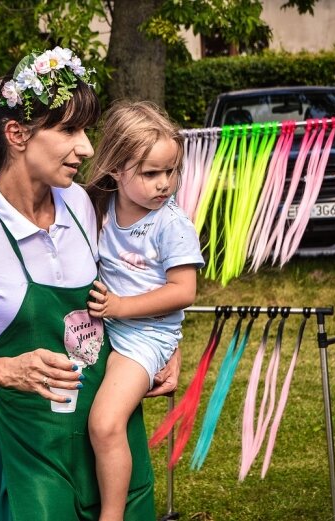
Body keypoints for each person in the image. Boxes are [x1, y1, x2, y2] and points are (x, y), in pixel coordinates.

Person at [0, 48, 180, 521]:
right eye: (68, 130)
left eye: (85, 131)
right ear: (17, 134)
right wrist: (7, 371)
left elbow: (128, 288)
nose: (86, 149)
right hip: (34, 457)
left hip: (111, 440)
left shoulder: (82, 207)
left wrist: (161, 347)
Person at [84, 101, 204, 521]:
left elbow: (184, 290)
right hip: (106, 328)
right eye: (151, 173)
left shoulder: (171, 225)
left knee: (104, 423)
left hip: (144, 337)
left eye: (171, 172)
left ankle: (113, 515)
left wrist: (121, 306)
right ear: (115, 169)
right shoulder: (98, 207)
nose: (164, 184)